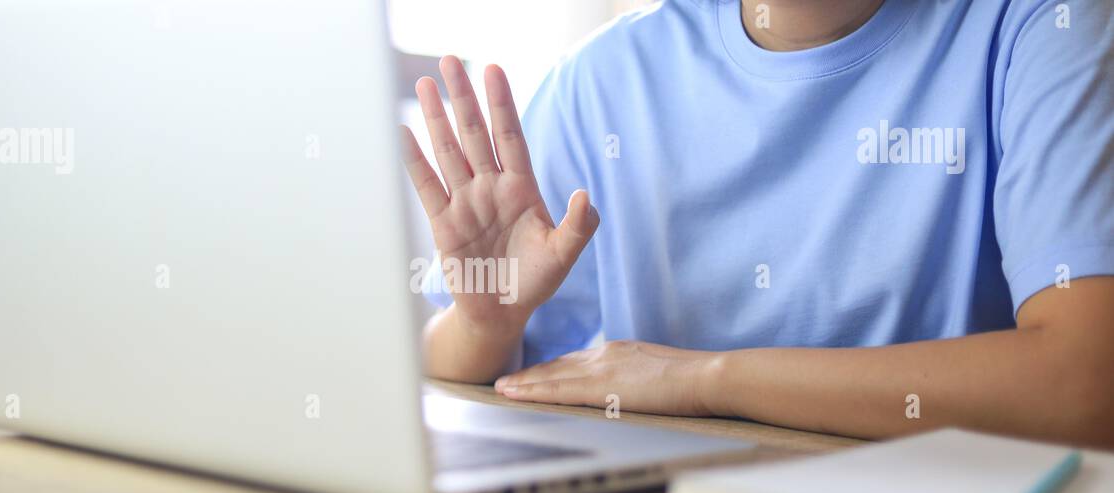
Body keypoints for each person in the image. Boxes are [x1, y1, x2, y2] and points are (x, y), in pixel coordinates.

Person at [399, 0, 1114, 447]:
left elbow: (1086, 385)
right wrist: (487, 324)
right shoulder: (605, 79)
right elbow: (460, 365)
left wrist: (710, 380)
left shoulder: (1039, 24)